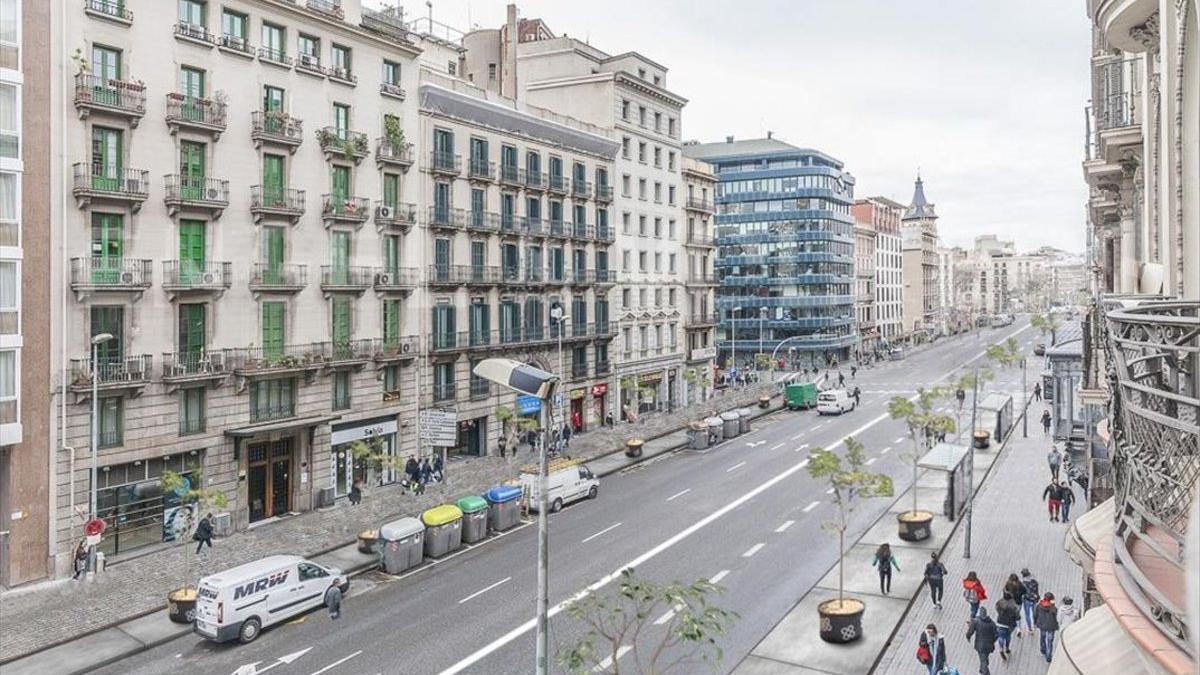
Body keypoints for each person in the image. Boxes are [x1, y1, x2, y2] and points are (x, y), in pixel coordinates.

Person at [965, 605, 999, 675]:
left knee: (983, 660)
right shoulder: (992, 623)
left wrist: (968, 637)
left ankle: (985, 672)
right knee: (985, 658)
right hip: (989, 645)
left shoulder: (976, 622)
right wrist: (992, 641)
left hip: (980, 645)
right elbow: (996, 635)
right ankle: (982, 669)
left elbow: (970, 631)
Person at [1034, 592, 1060, 662]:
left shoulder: (1039, 606)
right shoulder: (1053, 608)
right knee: (1050, 641)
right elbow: (1057, 617)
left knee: (1042, 637)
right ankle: (1048, 655)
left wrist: (1035, 622)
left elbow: (1035, 614)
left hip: (1042, 624)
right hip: (1051, 626)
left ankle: (1043, 649)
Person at [994, 591, 1020, 661]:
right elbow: (1016, 614)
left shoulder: (999, 602)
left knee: (1001, 636)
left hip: (1000, 622)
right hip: (1009, 624)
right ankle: (1007, 648)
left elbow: (996, 608)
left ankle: (1001, 648)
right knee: (1008, 636)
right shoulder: (1013, 604)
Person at [1020, 569, 1040, 636]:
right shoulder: (1034, 582)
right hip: (1034, 600)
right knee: (1034, 612)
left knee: (1027, 614)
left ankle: (1030, 628)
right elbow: (1037, 591)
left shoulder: (1023, 584)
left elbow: (1022, 593)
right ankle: (1034, 624)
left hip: (1027, 600)